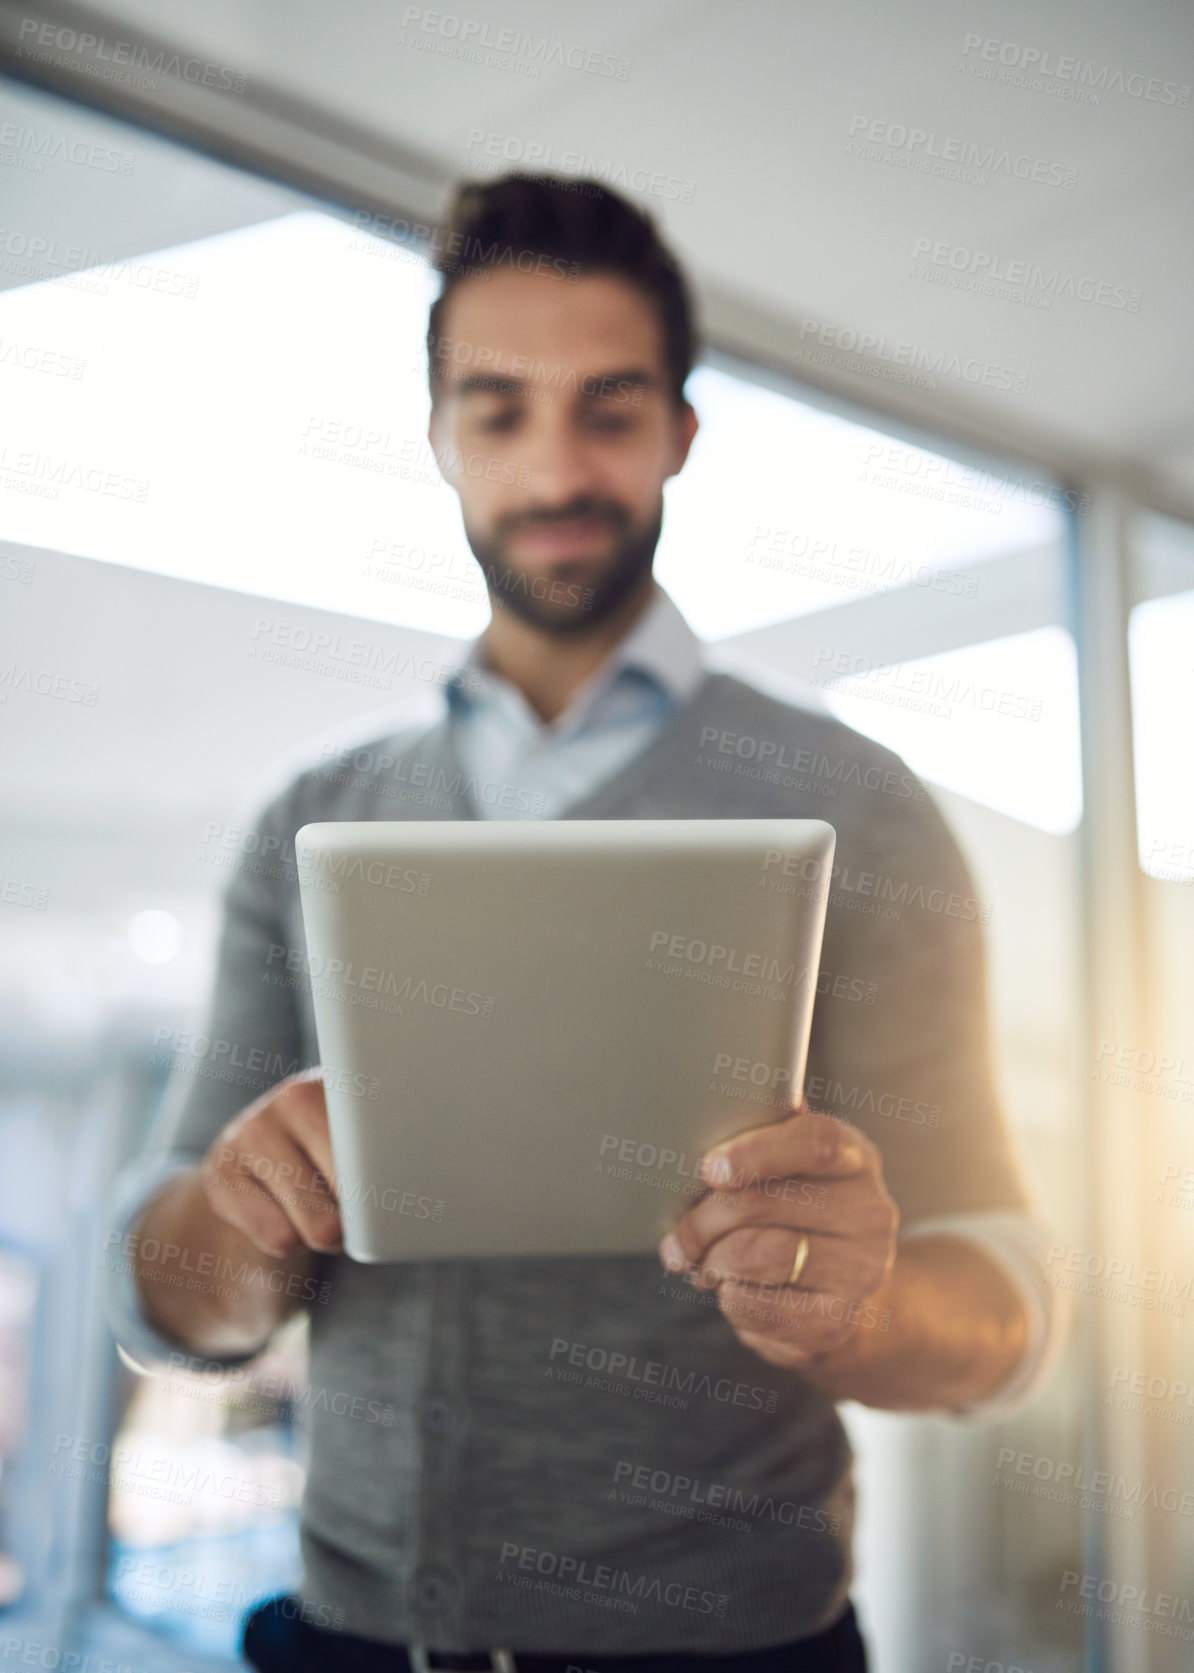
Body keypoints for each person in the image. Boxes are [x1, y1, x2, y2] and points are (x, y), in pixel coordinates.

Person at [102, 173, 1069, 1673]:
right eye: (498, 410)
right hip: (350, 1641)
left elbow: (1002, 1300)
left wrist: (860, 1309)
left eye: (608, 409)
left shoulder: (854, 807)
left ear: (682, 431)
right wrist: (236, 1219)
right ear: (436, 435)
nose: (555, 467)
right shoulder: (313, 814)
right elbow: (164, 1300)